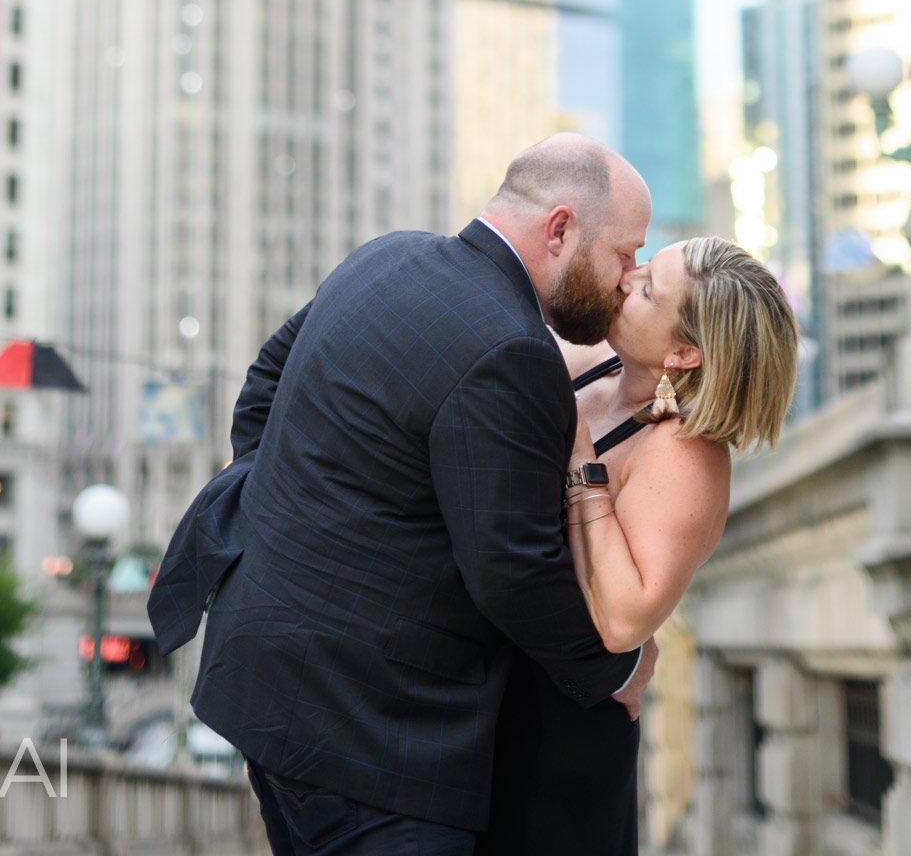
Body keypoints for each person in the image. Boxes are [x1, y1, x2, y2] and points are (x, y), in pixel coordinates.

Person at [149, 132, 657, 854]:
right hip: (377, 743)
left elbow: (264, 383)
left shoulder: (383, 257)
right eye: (624, 253)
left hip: (264, 695)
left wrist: (296, 510)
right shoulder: (514, 349)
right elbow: (512, 569)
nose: (626, 277)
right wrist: (621, 669)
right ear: (560, 229)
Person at [480, 234, 799, 856]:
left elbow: (625, 617)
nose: (628, 280)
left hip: (557, 744)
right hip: (497, 702)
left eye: (650, 288)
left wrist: (580, 464)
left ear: (682, 353)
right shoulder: (602, 362)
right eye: (646, 264)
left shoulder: (686, 457)